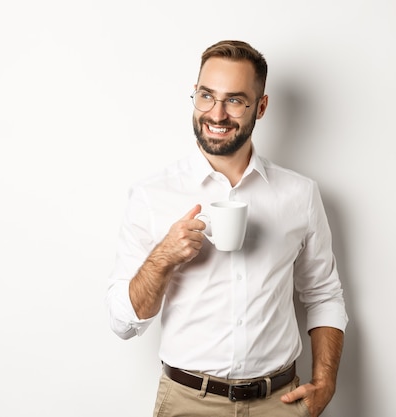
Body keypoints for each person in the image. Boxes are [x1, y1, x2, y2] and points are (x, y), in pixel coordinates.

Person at [106, 40, 348, 417]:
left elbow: (323, 294)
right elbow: (123, 322)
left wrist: (325, 383)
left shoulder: (300, 194)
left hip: (279, 403)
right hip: (187, 402)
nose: (216, 114)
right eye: (206, 96)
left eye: (235, 100)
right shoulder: (153, 195)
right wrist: (163, 258)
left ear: (261, 107)